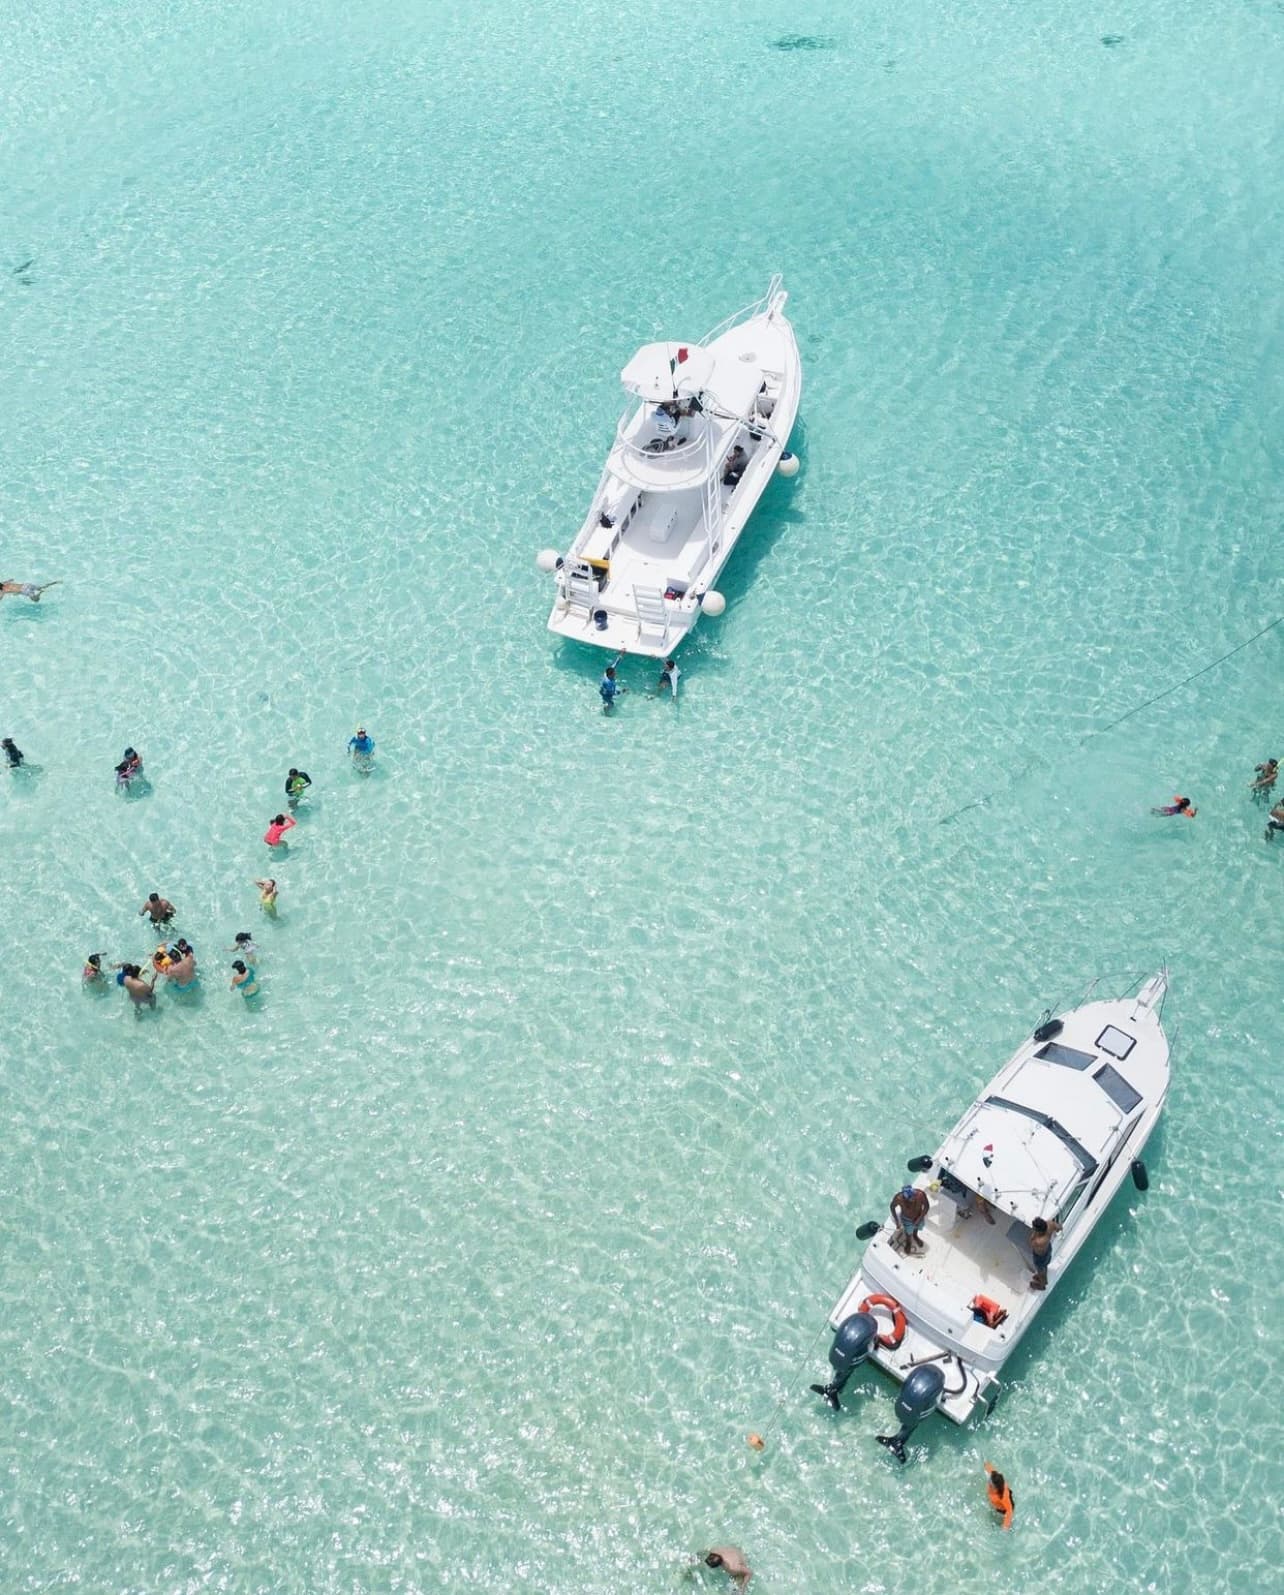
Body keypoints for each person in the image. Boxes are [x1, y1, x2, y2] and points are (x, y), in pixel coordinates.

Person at [890, 1184, 929, 1254]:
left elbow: (926, 1206)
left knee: (916, 1227)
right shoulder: (899, 1198)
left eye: (913, 1196)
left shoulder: (920, 1194)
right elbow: (892, 1207)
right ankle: (909, 1242)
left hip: (919, 1216)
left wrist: (919, 1219)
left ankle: (915, 1235)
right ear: (905, 1198)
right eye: (910, 1199)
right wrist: (897, 1221)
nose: (913, 1199)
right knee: (908, 1232)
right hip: (907, 1219)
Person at [1029, 1215, 1061, 1290]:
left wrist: (1034, 1233)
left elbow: (1031, 1243)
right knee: (1044, 1266)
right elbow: (1059, 1227)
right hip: (1048, 1250)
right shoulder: (1050, 1224)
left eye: (1034, 1228)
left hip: (1040, 1257)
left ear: (1038, 1230)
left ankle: (1042, 1284)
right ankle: (1042, 1275)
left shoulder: (1039, 1241)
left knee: (1040, 1269)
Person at [984, 1462, 1015, 1530]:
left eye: (991, 1485)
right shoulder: (994, 1476)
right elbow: (988, 1466)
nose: (989, 1483)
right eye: (989, 1481)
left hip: (1002, 1511)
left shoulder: (1003, 1497)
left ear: (996, 1489)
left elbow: (1009, 1511)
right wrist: (985, 1464)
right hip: (995, 1503)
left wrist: (1004, 1528)